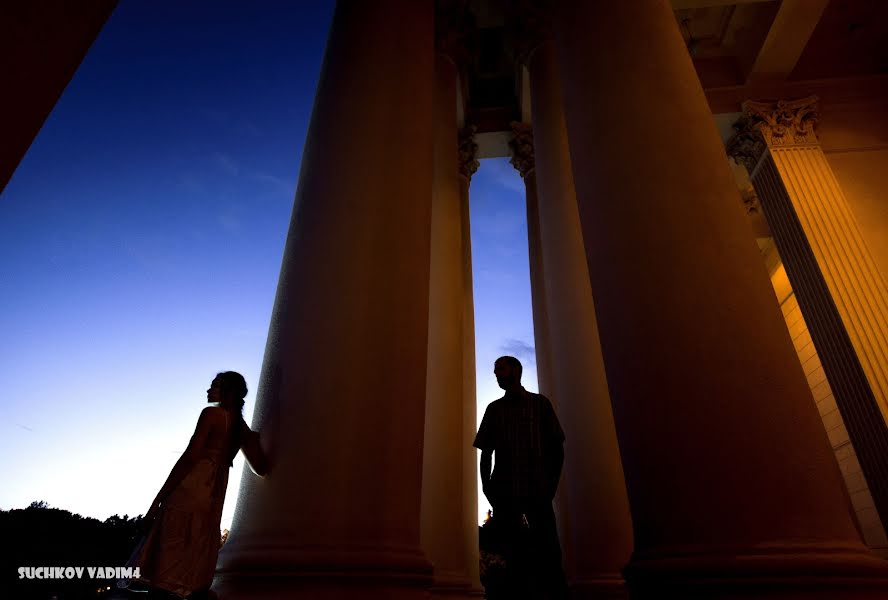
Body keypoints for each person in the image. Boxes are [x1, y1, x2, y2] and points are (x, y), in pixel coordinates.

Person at [128, 371, 268, 599]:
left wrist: (157, 501)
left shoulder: (212, 414)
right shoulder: (241, 429)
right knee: (193, 556)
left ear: (229, 391)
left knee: (166, 560)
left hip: (189, 489)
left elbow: (189, 457)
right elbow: (261, 466)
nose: (208, 390)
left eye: (215, 385)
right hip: (213, 498)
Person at [473, 356, 568, 600]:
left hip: (538, 491)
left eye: (501, 369)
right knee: (511, 555)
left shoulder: (540, 404)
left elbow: (557, 447)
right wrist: (487, 488)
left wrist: (550, 486)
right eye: (495, 371)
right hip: (505, 494)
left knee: (548, 552)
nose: (497, 375)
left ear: (516, 370)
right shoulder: (494, 409)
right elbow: (486, 452)